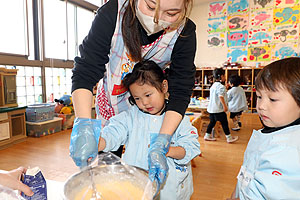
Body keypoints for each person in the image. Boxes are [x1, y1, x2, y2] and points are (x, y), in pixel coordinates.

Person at [69, 0, 197, 186]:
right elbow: (86, 70)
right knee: (109, 177)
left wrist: (162, 141)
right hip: (112, 108)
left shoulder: (184, 32)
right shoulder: (113, 13)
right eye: (151, 7)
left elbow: (181, 90)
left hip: (145, 114)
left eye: (170, 14)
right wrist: (84, 124)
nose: (156, 20)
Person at [98, 60, 200, 199]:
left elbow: (191, 147)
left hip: (171, 190)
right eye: (137, 98)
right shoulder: (131, 117)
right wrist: (99, 142)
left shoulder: (178, 118)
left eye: (148, 95)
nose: (144, 103)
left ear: (164, 86)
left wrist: (168, 150)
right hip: (137, 187)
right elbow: (114, 132)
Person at [229, 57, 300, 200]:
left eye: (272, 99)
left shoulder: (289, 151)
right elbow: (246, 173)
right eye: (259, 96)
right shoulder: (271, 130)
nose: (261, 105)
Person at [204, 68, 238, 143]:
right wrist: (225, 106)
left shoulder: (213, 85)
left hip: (211, 109)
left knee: (212, 122)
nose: (225, 77)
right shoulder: (220, 86)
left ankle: (207, 135)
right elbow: (221, 96)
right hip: (218, 109)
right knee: (224, 122)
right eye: (224, 76)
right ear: (221, 76)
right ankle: (229, 138)